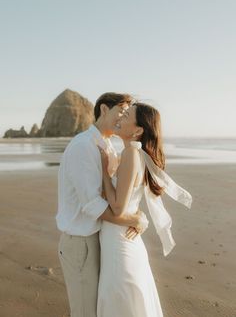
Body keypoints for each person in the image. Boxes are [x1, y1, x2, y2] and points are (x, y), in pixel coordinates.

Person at [56, 93, 149, 317]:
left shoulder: (107, 146)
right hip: (81, 242)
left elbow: (117, 194)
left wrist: (137, 214)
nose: (123, 118)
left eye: (127, 114)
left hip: (99, 239)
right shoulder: (83, 147)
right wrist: (135, 219)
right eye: (121, 112)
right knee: (85, 311)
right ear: (104, 110)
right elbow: (92, 205)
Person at [97, 102, 192, 317]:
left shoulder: (131, 154)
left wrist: (104, 173)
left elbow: (119, 208)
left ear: (138, 130)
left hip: (120, 242)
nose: (120, 118)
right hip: (122, 239)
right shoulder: (131, 154)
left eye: (126, 115)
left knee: (120, 302)